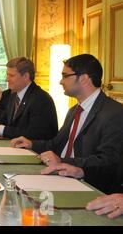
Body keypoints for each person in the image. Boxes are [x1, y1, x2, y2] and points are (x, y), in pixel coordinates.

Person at [11, 54, 123, 194]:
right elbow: (56, 144)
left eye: (65, 76)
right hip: (60, 177)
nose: (60, 81)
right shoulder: (74, 110)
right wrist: (31, 144)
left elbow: (108, 161)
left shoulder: (114, 113)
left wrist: (64, 161)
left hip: (88, 186)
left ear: (83, 78)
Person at [0, 57, 58, 140]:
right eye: (7, 75)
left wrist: (1, 130)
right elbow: (4, 120)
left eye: (11, 75)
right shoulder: (13, 95)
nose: (7, 79)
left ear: (26, 76)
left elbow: (35, 134)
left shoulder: (41, 99)